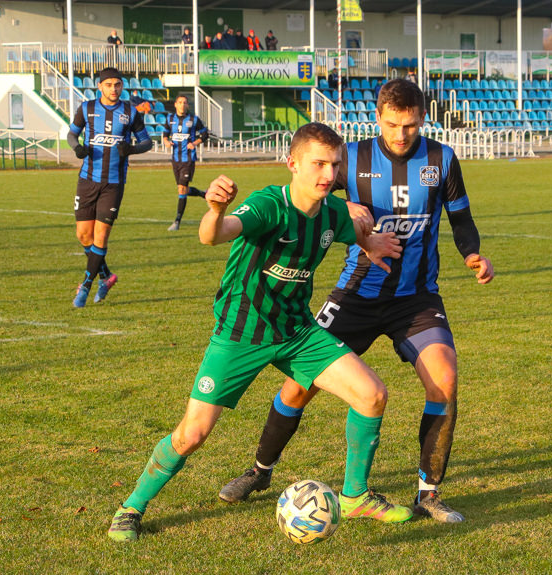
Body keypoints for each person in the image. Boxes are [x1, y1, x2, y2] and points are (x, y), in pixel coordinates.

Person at [107, 122, 410, 542]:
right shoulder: (270, 205)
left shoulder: (333, 213)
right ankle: (131, 507)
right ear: (293, 164)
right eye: (318, 163)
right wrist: (214, 210)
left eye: (334, 165)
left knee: (372, 393)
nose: (327, 173)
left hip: (295, 331)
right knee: (192, 434)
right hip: (241, 332)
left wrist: (370, 242)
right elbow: (215, 235)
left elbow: (353, 229)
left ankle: (355, 495)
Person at [218, 79, 495, 524]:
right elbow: (311, 189)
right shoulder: (354, 158)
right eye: (392, 124)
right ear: (378, 117)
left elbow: (461, 217)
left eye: (410, 125)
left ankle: (428, 492)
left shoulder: (442, 159)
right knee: (299, 385)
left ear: (423, 118)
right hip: (357, 294)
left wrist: (473, 254)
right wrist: (344, 208)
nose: (401, 134)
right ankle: (260, 470)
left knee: (444, 378)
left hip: (416, 298)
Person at [67, 67, 153, 308]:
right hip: (87, 180)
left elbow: (147, 141)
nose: (114, 89)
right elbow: (71, 135)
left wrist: (132, 149)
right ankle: (106, 277)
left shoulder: (130, 112)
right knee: (83, 234)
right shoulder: (87, 108)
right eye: (109, 85)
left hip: (114, 183)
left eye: (118, 84)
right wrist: (77, 148)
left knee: (101, 235)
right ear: (100, 86)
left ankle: (85, 286)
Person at [163, 94, 209, 230]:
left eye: (185, 102)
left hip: (188, 159)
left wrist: (194, 143)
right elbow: (165, 134)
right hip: (175, 160)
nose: (182, 105)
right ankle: (203, 194)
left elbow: (205, 134)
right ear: (176, 104)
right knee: (183, 189)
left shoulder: (194, 119)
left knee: (182, 189)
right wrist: (166, 142)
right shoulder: (170, 118)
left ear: (187, 105)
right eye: (180, 102)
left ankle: (177, 221)